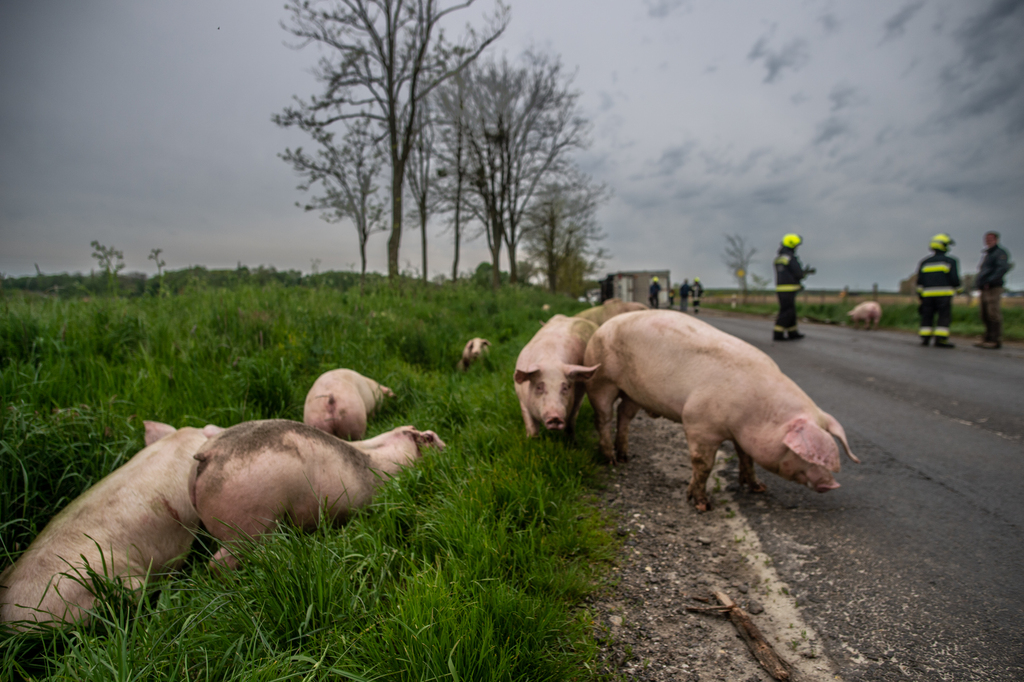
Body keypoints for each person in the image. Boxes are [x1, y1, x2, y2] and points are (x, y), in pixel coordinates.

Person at [915, 233, 960, 348]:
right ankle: (940, 340)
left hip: (927, 296)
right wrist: (959, 289)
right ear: (943, 246)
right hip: (944, 295)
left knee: (927, 316)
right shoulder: (950, 261)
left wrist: (920, 295)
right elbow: (954, 279)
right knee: (943, 316)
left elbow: (920, 281)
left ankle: (925, 338)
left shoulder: (924, 262)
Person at [773, 234, 815, 341]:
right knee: (787, 311)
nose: (797, 247)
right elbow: (798, 273)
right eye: (796, 245)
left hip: (781, 288)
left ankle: (793, 332)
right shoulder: (790, 257)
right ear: (791, 244)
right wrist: (805, 272)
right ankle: (778, 333)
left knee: (790, 311)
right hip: (789, 288)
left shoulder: (779, 258)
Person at [974, 231, 1011, 349]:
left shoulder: (999, 253)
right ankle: (987, 337)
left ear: (996, 240)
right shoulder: (988, 254)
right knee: (984, 313)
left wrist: (990, 281)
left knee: (993, 313)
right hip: (984, 287)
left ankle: (995, 339)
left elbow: (1002, 268)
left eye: (990, 239)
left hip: (993, 288)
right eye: (986, 239)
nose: (988, 241)